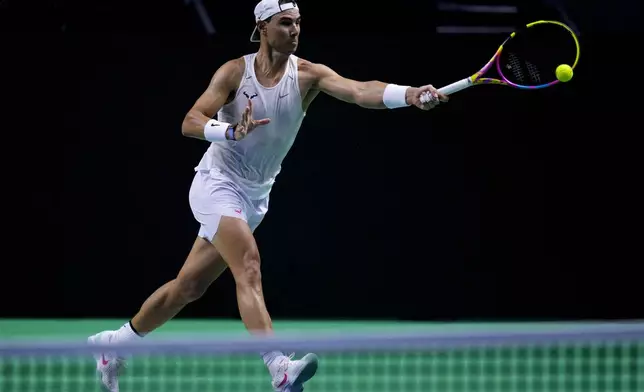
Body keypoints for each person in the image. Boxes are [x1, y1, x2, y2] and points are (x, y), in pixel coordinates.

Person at [88, 0, 448, 391]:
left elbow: (360, 91)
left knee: (188, 287)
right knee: (249, 264)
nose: (295, 30)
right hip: (217, 183)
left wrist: (408, 93)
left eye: (298, 23)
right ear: (262, 27)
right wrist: (229, 132)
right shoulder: (234, 73)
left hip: (255, 196)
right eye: (285, 23)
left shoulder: (308, 74)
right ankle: (279, 367)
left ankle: (115, 343)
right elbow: (190, 122)